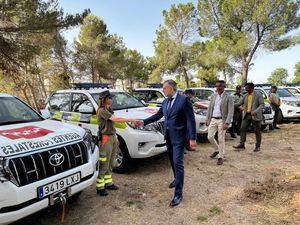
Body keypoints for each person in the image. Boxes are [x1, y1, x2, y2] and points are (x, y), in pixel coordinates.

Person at [136, 80, 197, 207]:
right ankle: (176, 179)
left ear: (171, 88)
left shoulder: (184, 100)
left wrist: (192, 138)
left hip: (180, 138)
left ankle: (178, 194)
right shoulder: (165, 102)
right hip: (168, 137)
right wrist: (143, 122)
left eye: (164, 88)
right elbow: (158, 115)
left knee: (178, 163)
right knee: (172, 161)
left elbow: (191, 120)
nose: (163, 90)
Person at [96, 90, 137, 196]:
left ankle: (108, 183)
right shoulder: (101, 110)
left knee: (111, 162)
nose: (111, 99)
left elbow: (112, 124)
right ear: (104, 99)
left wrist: (115, 136)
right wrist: (131, 119)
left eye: (111, 98)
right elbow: (115, 119)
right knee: (104, 162)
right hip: (105, 138)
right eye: (110, 98)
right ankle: (100, 186)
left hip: (112, 137)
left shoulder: (109, 109)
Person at [205, 80, 234, 165]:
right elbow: (210, 108)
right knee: (209, 137)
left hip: (222, 120)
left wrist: (227, 122)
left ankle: (221, 156)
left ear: (224, 87)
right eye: (217, 86)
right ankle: (217, 149)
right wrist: (207, 119)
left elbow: (231, 111)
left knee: (221, 139)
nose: (218, 87)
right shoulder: (213, 96)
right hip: (213, 119)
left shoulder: (229, 97)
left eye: (220, 86)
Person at [233, 82, 264, 152]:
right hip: (247, 115)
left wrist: (256, 111)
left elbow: (262, 105)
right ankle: (242, 144)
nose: (245, 89)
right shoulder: (245, 96)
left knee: (257, 131)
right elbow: (239, 103)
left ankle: (257, 146)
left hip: (255, 115)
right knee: (242, 128)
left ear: (251, 88)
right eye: (245, 88)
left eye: (247, 88)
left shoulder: (258, 95)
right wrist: (231, 104)